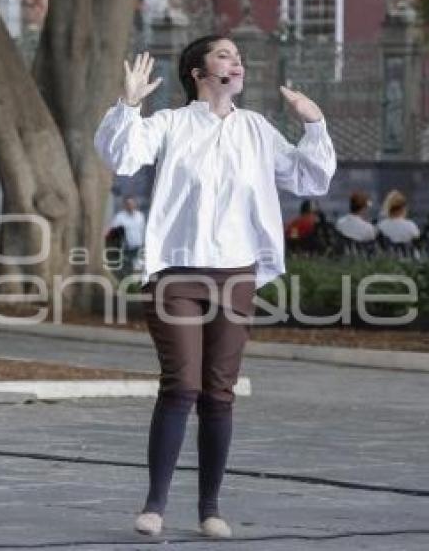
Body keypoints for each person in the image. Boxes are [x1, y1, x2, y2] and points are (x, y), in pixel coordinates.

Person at [95, 36, 335, 539]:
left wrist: (314, 123)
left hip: (236, 275)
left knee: (219, 395)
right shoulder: (171, 124)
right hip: (176, 275)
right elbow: (121, 155)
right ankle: (155, 505)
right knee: (182, 384)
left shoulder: (257, 129)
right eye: (224, 55)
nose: (236, 62)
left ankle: (210, 509)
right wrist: (130, 104)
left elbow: (308, 179)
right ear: (198, 72)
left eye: (238, 57)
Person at [107, 195, 146, 278]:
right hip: (126, 248)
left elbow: (143, 230)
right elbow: (112, 229)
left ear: (135, 204)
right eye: (128, 204)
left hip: (139, 247)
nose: (130, 206)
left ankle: (138, 285)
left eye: (132, 203)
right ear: (124, 205)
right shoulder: (120, 217)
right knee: (128, 269)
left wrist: (144, 244)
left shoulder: (140, 216)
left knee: (139, 268)